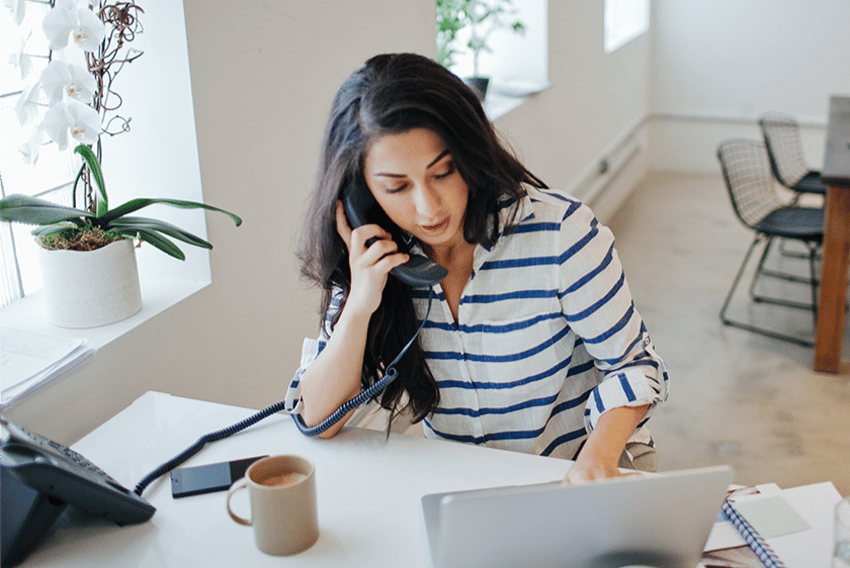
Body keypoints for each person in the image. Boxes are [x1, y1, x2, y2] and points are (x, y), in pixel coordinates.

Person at [286, 53, 668, 483]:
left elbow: (635, 366)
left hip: (579, 473)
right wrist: (359, 304)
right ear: (361, 194)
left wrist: (595, 461)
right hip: (468, 489)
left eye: (443, 173)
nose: (427, 208)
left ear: (469, 153)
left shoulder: (562, 233)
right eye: (396, 187)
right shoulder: (372, 258)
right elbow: (317, 419)